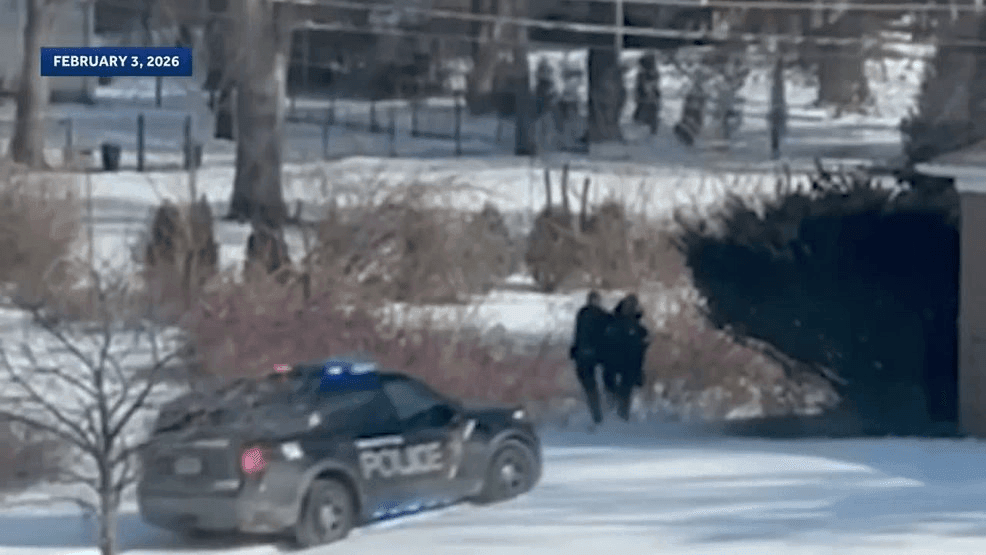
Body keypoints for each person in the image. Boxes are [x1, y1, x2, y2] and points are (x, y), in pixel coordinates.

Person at [569, 290, 612, 425]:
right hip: (591, 356)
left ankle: (598, 413)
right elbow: (578, 333)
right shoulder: (600, 315)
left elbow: (578, 334)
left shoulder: (585, 313)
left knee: (590, 386)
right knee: (592, 386)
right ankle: (599, 413)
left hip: (588, 356)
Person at [605, 294, 649, 421]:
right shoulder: (618, 322)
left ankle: (621, 416)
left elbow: (642, 341)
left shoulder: (634, 323)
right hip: (622, 360)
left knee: (625, 390)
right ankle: (618, 415)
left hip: (629, 362)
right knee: (620, 390)